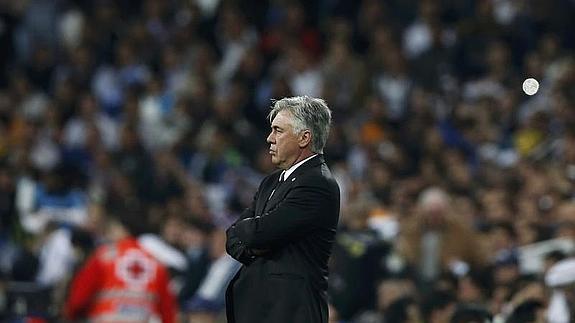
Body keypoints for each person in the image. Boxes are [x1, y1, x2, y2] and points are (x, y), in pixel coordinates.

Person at [225, 96, 340, 323]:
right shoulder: (271, 182)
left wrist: (253, 237)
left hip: (289, 311)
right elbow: (232, 237)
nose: (269, 138)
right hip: (261, 308)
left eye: (278, 130)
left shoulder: (317, 183)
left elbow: (258, 233)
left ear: (304, 138)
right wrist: (253, 240)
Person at [63, 207, 177, 323]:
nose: (107, 235)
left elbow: (77, 301)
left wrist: (72, 316)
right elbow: (168, 312)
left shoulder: (103, 258)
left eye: (110, 229)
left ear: (122, 229)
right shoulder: (156, 264)